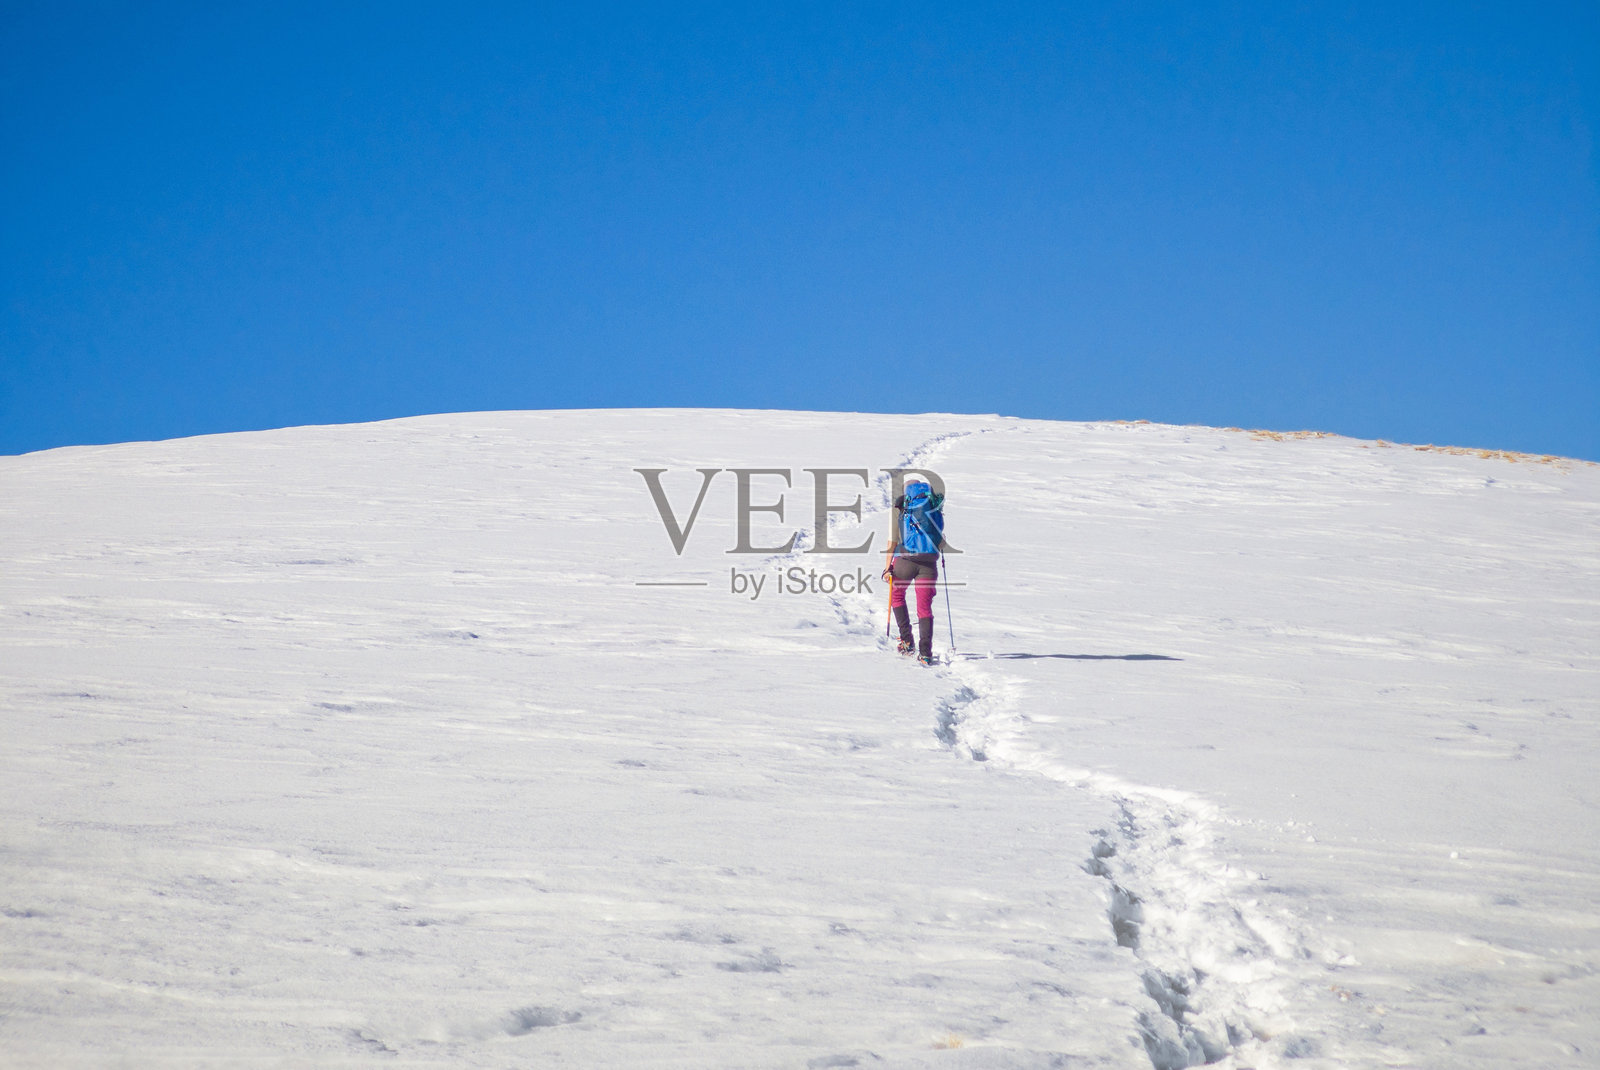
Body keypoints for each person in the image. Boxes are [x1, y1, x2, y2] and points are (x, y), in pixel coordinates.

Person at [887, 480, 945, 665]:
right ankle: (926, 653)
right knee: (924, 608)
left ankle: (907, 642)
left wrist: (887, 567)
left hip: (905, 561)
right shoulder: (934, 510)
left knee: (897, 596)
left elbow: (892, 542)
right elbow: (941, 540)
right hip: (928, 564)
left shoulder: (902, 509)